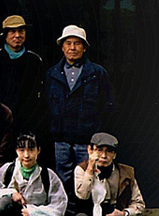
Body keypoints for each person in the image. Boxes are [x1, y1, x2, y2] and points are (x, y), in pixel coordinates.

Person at [45, 25, 115, 186]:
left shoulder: (98, 73)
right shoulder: (52, 74)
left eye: (77, 43)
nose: (72, 47)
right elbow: (46, 107)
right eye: (68, 43)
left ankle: (84, 212)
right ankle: (67, 212)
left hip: (87, 141)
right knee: (62, 181)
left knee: (87, 179)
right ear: (62, 47)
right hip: (61, 141)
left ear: (84, 47)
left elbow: (108, 107)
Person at [71, 132, 145, 216]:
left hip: (114, 214)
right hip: (90, 213)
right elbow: (82, 195)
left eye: (109, 151)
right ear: (90, 151)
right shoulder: (81, 169)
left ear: (114, 154)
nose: (104, 156)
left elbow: (139, 204)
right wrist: (90, 169)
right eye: (99, 150)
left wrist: (123, 213)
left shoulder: (126, 173)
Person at [0, 15, 45, 137]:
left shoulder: (35, 61)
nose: (17, 35)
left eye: (21, 31)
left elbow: (39, 96)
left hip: (27, 124)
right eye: (12, 31)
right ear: (5, 34)